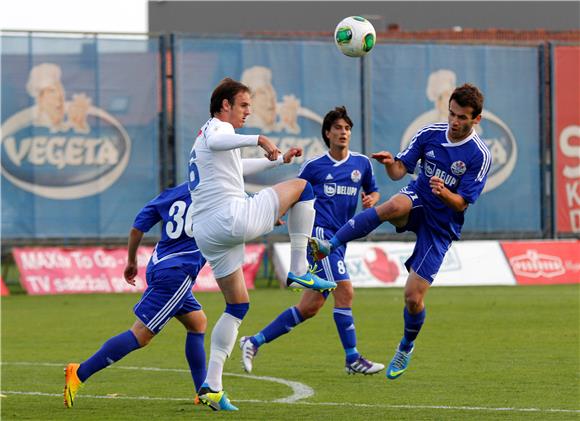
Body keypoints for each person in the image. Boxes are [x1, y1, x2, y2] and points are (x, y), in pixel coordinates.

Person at [310, 84, 492, 380]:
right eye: (452, 114)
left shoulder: (479, 156)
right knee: (393, 206)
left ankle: (406, 346)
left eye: (463, 118)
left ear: (477, 119)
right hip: (418, 199)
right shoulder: (429, 134)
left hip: (441, 225)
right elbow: (399, 172)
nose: (455, 122)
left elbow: (461, 204)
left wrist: (445, 193)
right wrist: (390, 164)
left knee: (412, 297)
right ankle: (331, 244)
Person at [188, 78, 337, 411]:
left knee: (237, 306)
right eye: (243, 105)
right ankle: (299, 267)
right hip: (230, 218)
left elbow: (237, 167)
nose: (247, 112)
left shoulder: (210, 137)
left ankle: (212, 384)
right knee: (303, 187)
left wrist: (277, 160)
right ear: (224, 105)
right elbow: (219, 142)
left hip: (208, 231)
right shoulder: (215, 129)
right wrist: (260, 139)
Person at [239, 106, 385, 376]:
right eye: (338, 128)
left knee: (310, 307)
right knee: (345, 291)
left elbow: (373, 192)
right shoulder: (314, 167)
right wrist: (277, 214)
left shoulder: (362, 164)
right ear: (327, 133)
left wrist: (371, 200)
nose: (344, 132)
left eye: (347, 128)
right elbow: (294, 193)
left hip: (340, 240)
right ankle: (352, 358)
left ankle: (254, 341)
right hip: (318, 236)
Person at [63, 182, 208, 408]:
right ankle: (80, 372)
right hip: (177, 273)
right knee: (141, 334)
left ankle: (203, 391)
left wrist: (131, 261)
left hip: (159, 264)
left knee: (197, 322)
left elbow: (136, 228)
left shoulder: (171, 194)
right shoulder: (216, 192)